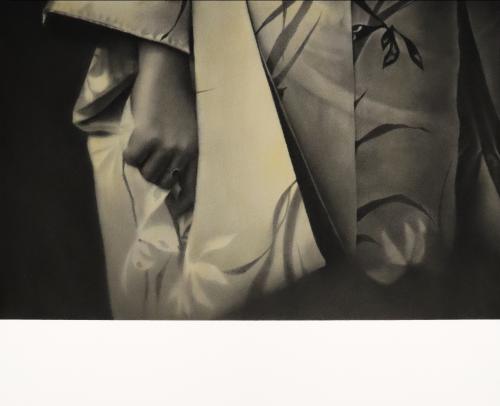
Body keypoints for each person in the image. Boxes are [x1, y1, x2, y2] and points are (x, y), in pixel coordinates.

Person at [44, 1, 500, 319]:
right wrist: (161, 54)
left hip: (415, 33)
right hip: (238, 36)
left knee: (407, 279)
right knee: (235, 308)